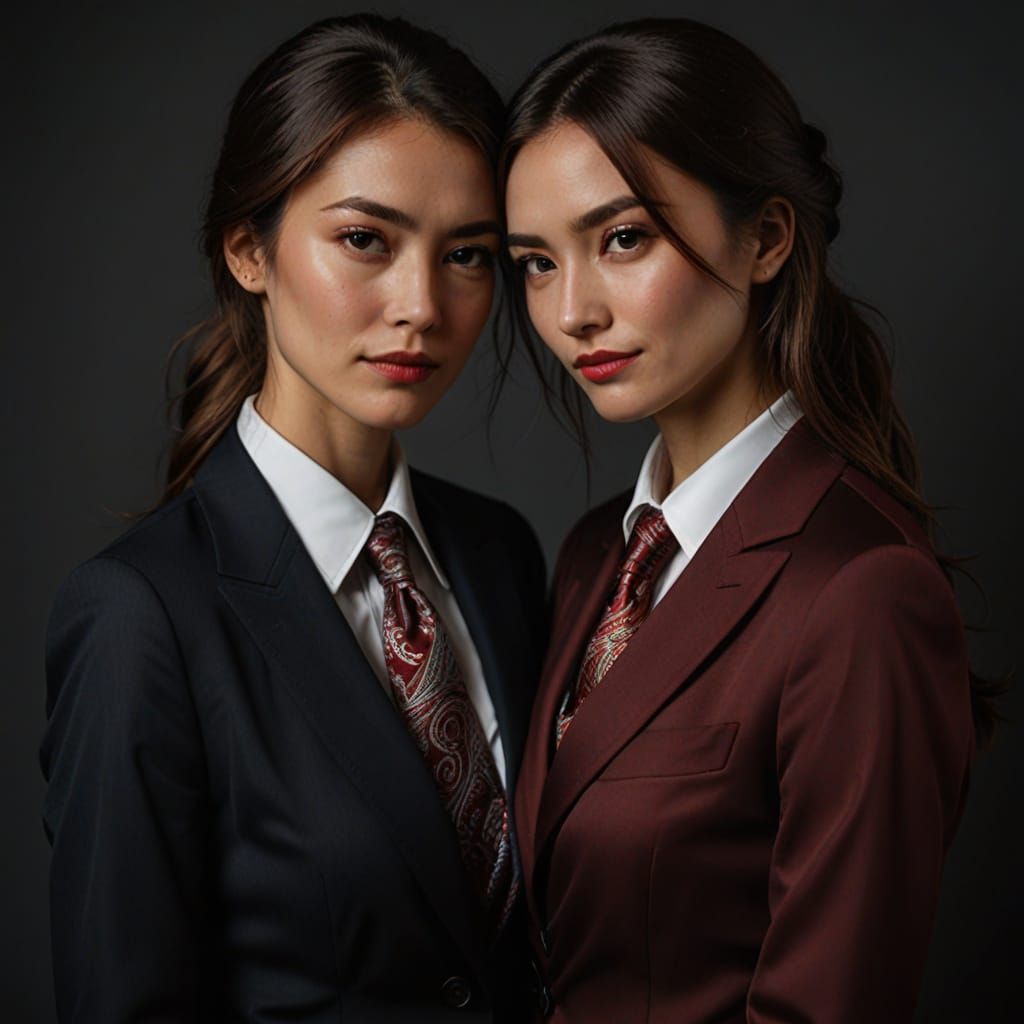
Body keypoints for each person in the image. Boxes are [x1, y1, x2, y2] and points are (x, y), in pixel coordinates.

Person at [41, 14, 546, 1022]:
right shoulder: (142, 613)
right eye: (365, 239)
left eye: (469, 255)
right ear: (248, 249)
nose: (420, 305)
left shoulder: (500, 553)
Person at [502, 18, 981, 1023]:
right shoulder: (600, 552)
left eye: (622, 239)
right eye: (535, 261)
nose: (572, 310)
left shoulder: (860, 589)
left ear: (765, 235)